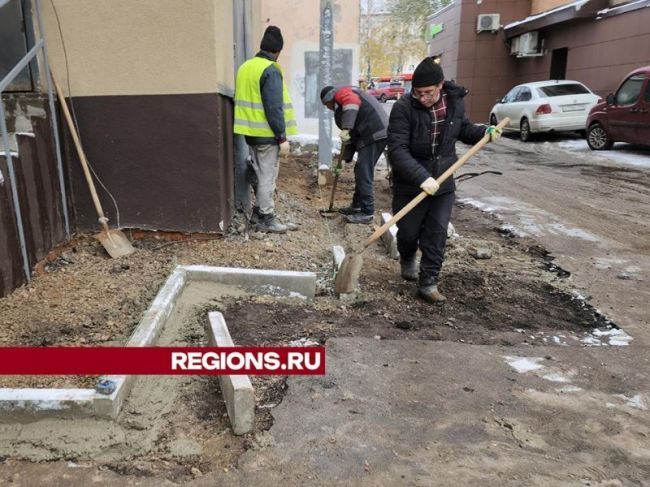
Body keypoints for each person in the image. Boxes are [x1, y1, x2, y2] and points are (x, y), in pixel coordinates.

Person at [387, 57, 501, 304]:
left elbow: (463, 129)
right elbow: (397, 150)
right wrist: (421, 177)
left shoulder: (455, 103)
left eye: (428, 93)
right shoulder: (403, 108)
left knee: (436, 233)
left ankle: (428, 283)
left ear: (440, 86)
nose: (423, 98)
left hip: (443, 181)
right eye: (417, 93)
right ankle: (407, 257)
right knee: (408, 233)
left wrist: (485, 133)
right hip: (410, 183)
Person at [234, 26, 298, 233]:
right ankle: (266, 217)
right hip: (267, 135)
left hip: (250, 133)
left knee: (260, 172)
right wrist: (281, 137)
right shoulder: (270, 69)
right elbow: (273, 107)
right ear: (277, 50)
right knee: (267, 177)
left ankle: (258, 213)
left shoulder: (245, 67)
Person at [320, 85, 389, 224]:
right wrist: (344, 161)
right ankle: (357, 206)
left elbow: (352, 103)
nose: (328, 108)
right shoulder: (342, 112)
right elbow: (349, 140)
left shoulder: (343, 93)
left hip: (375, 132)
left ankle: (367, 212)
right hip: (370, 134)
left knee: (364, 171)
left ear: (329, 100)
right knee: (360, 169)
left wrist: (346, 127)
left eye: (327, 105)